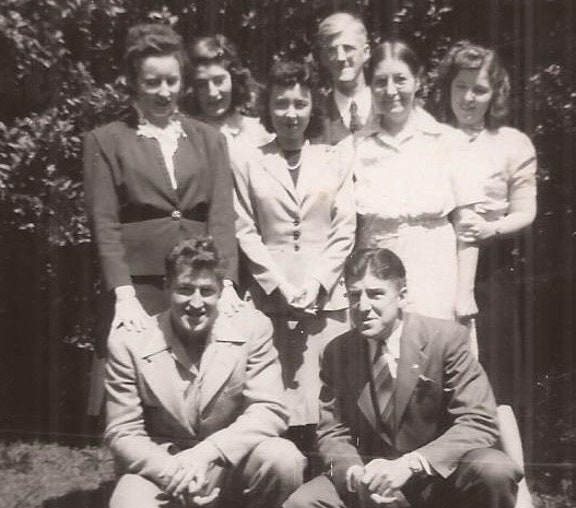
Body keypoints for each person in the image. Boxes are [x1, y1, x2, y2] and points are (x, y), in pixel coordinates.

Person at [284, 248, 521, 508]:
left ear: (403, 295)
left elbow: (479, 420)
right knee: (301, 506)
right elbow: (333, 430)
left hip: (437, 479)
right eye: (353, 295)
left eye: (375, 293)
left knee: (495, 470)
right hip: (373, 481)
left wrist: (410, 465)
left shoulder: (446, 339)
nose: (362, 305)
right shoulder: (338, 351)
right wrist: (354, 472)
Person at [100, 237, 305, 508]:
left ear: (220, 291)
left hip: (225, 463)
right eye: (184, 289)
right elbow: (122, 431)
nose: (196, 303)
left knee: (283, 458)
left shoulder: (251, 328)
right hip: (161, 468)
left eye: (207, 291)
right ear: (166, 287)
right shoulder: (130, 341)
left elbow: (270, 409)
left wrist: (208, 452)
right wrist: (174, 469)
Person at [84, 23, 239, 416]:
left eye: (172, 80)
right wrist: (123, 294)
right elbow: (105, 224)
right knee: (141, 389)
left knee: (201, 386)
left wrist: (229, 282)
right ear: (134, 82)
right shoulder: (106, 141)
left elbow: (221, 215)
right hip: (141, 287)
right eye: (152, 82)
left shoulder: (208, 138)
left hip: (199, 284)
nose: (164, 92)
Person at [432, 40, 538, 508]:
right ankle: (447, 489)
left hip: (491, 269)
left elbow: (526, 210)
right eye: (460, 88)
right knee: (440, 379)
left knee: (495, 383)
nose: (469, 99)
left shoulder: (511, 142)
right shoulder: (433, 137)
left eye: (480, 90)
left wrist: (492, 229)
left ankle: (521, 490)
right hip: (437, 263)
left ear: (495, 92)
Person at [231, 59, 356, 444]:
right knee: (274, 399)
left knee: (327, 398)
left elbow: (344, 228)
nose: (290, 114)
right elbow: (244, 229)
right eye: (281, 104)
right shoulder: (248, 159)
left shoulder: (333, 158)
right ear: (267, 109)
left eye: (299, 104)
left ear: (311, 108)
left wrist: (317, 284)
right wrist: (279, 285)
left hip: (326, 298)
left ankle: (326, 482)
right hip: (271, 299)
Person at [353, 40, 470, 321]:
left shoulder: (449, 142)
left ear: (418, 81)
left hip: (437, 277)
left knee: (437, 356)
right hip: (380, 280)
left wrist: (465, 294)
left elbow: (468, 227)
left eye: (400, 79)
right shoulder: (356, 147)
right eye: (381, 81)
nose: (391, 91)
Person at [188, 34, 273, 149]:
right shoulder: (186, 136)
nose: (212, 92)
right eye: (202, 85)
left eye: (219, 81)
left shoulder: (258, 133)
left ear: (234, 80)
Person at [316, 11, 377, 144]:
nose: (341, 57)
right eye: (332, 50)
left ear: (366, 52)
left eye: (348, 48)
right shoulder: (315, 118)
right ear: (324, 58)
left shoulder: (388, 108)